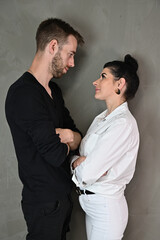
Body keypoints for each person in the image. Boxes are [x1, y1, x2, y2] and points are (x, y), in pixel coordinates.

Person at [5, 18, 84, 240]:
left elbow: (78, 138)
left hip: (61, 200)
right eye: (70, 54)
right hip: (43, 204)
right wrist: (66, 139)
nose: (72, 63)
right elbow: (55, 154)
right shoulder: (23, 94)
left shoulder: (54, 91)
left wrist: (66, 135)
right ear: (52, 47)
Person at [71, 54, 140, 240]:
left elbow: (87, 173)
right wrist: (78, 162)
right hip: (91, 204)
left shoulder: (123, 124)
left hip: (105, 209)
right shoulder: (102, 119)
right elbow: (82, 157)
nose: (96, 81)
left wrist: (82, 164)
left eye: (103, 76)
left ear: (120, 84)